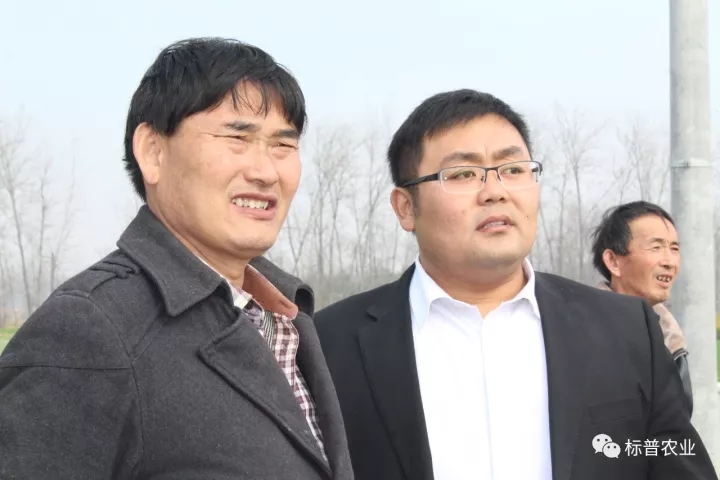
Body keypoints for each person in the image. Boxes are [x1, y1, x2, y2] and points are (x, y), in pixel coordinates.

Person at [314, 89, 717, 480]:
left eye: (513, 170)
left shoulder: (627, 330)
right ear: (406, 207)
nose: (495, 192)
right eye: (463, 174)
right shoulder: (330, 345)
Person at [0, 37, 353, 480]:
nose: (266, 171)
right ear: (153, 152)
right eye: (237, 138)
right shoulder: (91, 330)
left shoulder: (286, 318)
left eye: (283, 146)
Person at [591, 201, 692, 416]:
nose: (669, 262)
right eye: (656, 247)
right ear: (613, 261)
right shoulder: (583, 334)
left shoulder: (670, 338)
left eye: (674, 249)